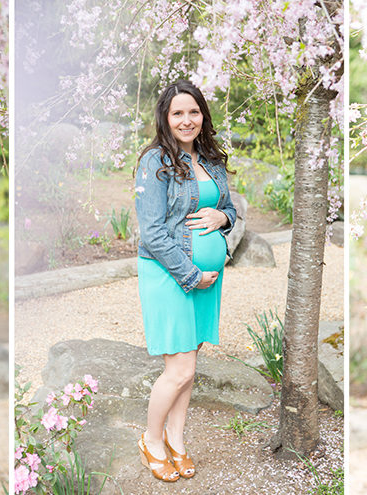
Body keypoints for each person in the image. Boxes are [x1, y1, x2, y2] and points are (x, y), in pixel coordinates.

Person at [134, 80, 237, 482]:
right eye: (178, 113)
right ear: (165, 117)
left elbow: (228, 207)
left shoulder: (210, 158)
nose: (186, 120)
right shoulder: (155, 162)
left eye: (193, 112)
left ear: (202, 115)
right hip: (171, 276)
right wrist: (192, 274)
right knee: (177, 370)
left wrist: (222, 218)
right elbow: (153, 233)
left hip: (206, 279)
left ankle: (176, 440)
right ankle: (151, 440)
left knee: (190, 368)